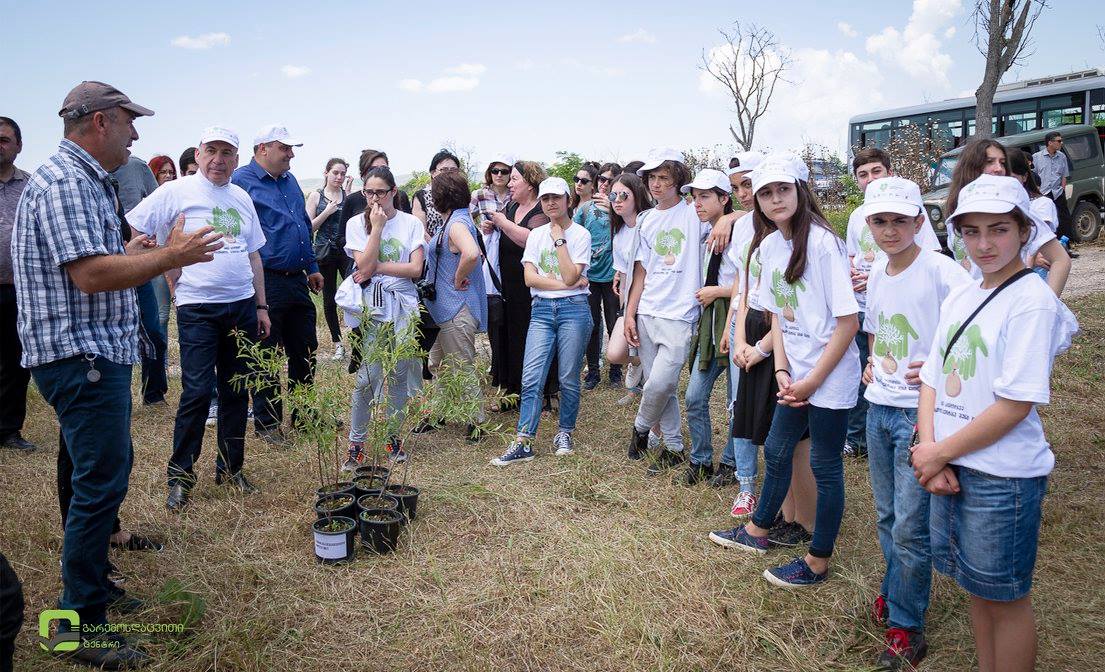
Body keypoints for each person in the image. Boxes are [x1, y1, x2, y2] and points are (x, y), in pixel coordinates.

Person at [14, 80, 221, 667]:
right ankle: (78, 625)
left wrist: (139, 250)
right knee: (102, 479)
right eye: (130, 122)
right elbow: (90, 276)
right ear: (100, 121)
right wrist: (172, 257)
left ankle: (95, 585)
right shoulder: (66, 182)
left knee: (89, 470)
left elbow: (95, 261)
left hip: (85, 353)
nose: (135, 134)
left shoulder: (78, 179)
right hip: (80, 356)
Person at [912, 173, 1078, 672]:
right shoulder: (963, 294)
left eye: (999, 230)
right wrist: (930, 450)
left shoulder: (1032, 301)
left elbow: (1015, 404)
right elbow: (932, 378)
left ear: (1025, 230)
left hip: (1002, 477)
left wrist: (937, 452)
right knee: (977, 590)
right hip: (949, 465)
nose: (984, 244)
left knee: (1005, 600)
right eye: (972, 231)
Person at [716, 153, 860, 588]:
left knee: (824, 464)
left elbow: (848, 323)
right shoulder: (769, 246)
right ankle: (758, 530)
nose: (776, 199)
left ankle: (818, 560)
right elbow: (778, 314)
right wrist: (782, 369)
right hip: (794, 375)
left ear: (800, 190)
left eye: (783, 189)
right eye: (766, 193)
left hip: (828, 377)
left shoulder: (823, 243)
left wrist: (812, 380)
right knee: (777, 449)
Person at [856, 176, 971, 670]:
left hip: (915, 414)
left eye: (899, 221)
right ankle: (896, 587)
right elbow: (876, 330)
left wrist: (940, 366)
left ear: (919, 221)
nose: (890, 230)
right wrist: (871, 361)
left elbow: (974, 329)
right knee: (887, 514)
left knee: (910, 524)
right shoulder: (878, 272)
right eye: (880, 221)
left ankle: (907, 624)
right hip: (878, 406)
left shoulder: (942, 271)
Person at [127, 125, 269, 511]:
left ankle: (231, 468)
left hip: (241, 304)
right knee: (196, 391)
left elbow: (253, 253)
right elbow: (138, 226)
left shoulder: (240, 196)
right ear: (199, 153)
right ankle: (180, 477)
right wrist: (164, 263)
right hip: (197, 307)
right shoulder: (176, 191)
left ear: (236, 159)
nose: (218, 160)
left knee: (236, 389)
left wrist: (261, 306)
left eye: (227, 153)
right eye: (212, 151)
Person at [844, 147, 942, 458]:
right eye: (863, 174)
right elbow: (852, 256)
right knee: (866, 367)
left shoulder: (941, 269)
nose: (870, 178)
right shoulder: (857, 218)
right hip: (866, 306)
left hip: (906, 317)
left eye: (876, 171)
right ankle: (858, 437)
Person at [231, 124, 324, 444]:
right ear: (263, 149)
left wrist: (312, 266)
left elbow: (302, 224)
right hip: (265, 280)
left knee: (305, 348)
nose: (291, 154)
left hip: (296, 279)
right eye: (284, 148)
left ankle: (304, 415)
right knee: (266, 352)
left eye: (291, 148)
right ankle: (268, 423)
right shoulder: (241, 182)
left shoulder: (290, 180)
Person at [491, 177, 592, 465]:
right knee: (531, 376)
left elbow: (571, 274)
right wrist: (568, 284)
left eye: (556, 197)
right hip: (542, 310)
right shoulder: (535, 235)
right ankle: (524, 441)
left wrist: (559, 239)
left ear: (568, 200)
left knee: (568, 377)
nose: (550, 203)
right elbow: (530, 279)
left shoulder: (581, 235)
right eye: (545, 198)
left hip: (574, 310)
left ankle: (565, 431)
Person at [624, 148, 711, 474]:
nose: (657, 184)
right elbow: (641, 272)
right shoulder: (645, 220)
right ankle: (674, 447)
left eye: (664, 177)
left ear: (679, 180)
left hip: (681, 313)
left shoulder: (694, 214)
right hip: (648, 311)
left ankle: (640, 427)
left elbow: (733, 216)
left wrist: (729, 218)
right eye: (652, 178)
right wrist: (630, 313)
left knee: (659, 383)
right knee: (662, 386)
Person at [340, 166, 425, 469]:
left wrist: (375, 266)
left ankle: (393, 436)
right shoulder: (356, 224)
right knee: (368, 377)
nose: (374, 198)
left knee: (400, 374)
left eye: (380, 192)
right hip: (373, 309)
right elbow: (362, 266)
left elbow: (415, 269)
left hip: (402, 306)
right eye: (369, 192)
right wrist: (376, 229)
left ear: (393, 192)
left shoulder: (410, 223)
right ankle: (356, 442)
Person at [946, 139, 1070, 297]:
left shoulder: (1015, 208)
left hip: (1015, 299)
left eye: (1002, 163)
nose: (998, 168)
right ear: (970, 167)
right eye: (990, 162)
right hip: (975, 303)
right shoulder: (957, 210)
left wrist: (1049, 302)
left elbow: (1061, 259)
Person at [682, 169, 739, 485]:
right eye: (695, 197)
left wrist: (718, 291)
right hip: (709, 320)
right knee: (694, 395)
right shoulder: (703, 229)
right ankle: (701, 459)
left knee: (735, 400)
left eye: (705, 196)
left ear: (724, 198)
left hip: (735, 315)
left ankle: (731, 462)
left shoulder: (741, 229)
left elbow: (753, 283)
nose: (698, 203)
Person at [423, 171, 488, 440]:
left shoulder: (457, 223)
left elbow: (472, 253)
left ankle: (477, 422)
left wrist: (458, 277)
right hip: (444, 309)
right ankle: (439, 413)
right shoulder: (455, 219)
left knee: (461, 365)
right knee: (437, 364)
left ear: (441, 196)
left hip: (455, 308)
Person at [487, 161, 551, 407]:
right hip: (508, 286)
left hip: (531, 288)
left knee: (531, 339)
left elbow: (533, 240)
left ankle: (542, 392)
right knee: (510, 338)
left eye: (515, 179)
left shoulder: (540, 210)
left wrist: (503, 223)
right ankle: (513, 391)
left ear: (531, 184)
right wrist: (491, 226)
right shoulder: (511, 206)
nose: (509, 183)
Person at [111, 152, 169, 407]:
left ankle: (154, 393)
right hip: (104, 268)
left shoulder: (136, 167)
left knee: (153, 331)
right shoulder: (82, 175)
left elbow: (160, 201)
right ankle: (116, 398)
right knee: (112, 338)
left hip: (137, 266)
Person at [0, 116, 36, 452]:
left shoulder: (31, 186)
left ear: (19, 146)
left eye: (4, 140)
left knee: (15, 360)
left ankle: (9, 430)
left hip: (17, 288)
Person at [604, 172, 652, 407]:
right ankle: (640, 363)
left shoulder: (649, 224)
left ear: (637, 195)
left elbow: (642, 272)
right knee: (614, 353)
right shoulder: (620, 233)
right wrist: (624, 311)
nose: (617, 200)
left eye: (624, 195)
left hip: (652, 301)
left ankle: (645, 399)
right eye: (613, 195)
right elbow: (624, 276)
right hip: (630, 303)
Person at [470, 154, 514, 394]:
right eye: (495, 170)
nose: (499, 175)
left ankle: (506, 365)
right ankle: (497, 365)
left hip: (511, 251)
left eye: (504, 171)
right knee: (494, 308)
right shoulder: (479, 194)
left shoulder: (515, 193)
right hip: (489, 253)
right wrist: (482, 227)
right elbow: (466, 220)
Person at [577, 161, 622, 390]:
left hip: (614, 276)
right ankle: (593, 371)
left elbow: (632, 228)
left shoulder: (623, 208)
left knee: (615, 324)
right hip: (590, 276)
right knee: (592, 324)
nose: (604, 184)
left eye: (610, 180)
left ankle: (616, 370)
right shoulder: (585, 208)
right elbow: (574, 234)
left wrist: (614, 208)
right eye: (602, 179)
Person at [305, 158, 351, 361]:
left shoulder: (348, 196)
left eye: (342, 174)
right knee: (329, 298)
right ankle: (338, 343)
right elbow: (309, 228)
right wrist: (326, 211)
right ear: (326, 173)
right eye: (335, 173)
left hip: (345, 252)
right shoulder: (316, 196)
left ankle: (358, 339)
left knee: (353, 294)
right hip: (324, 252)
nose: (339, 177)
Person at [1032, 130, 1075, 245]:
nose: (1061, 143)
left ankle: (1065, 245)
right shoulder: (1037, 157)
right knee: (1046, 219)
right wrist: (1037, 192)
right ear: (1050, 143)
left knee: (1064, 219)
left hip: (1058, 192)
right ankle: (1049, 245)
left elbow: (1064, 175)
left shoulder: (1062, 157)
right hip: (1043, 193)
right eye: (1059, 141)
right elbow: (1033, 176)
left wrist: (1062, 189)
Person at [412, 150, 462, 239]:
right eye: (444, 170)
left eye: (453, 170)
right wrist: (438, 245)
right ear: (433, 173)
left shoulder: (461, 195)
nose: (449, 174)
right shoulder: (421, 197)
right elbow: (421, 232)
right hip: (432, 246)